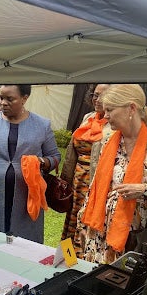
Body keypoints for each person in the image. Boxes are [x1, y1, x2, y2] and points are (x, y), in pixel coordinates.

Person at [76, 84, 147, 264]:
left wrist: (145, 190)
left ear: (131, 108)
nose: (105, 116)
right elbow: (95, 187)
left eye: (110, 110)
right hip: (97, 237)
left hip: (132, 242)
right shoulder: (108, 142)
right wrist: (83, 224)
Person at [0, 85, 61, 244]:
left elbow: (55, 156)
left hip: (27, 196)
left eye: (10, 99)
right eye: (1, 98)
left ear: (24, 98)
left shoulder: (42, 125)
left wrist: (42, 162)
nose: (3, 102)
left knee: (25, 244)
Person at [60, 84, 112, 255]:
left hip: (95, 186)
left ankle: (81, 264)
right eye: (94, 95)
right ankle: (67, 261)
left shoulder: (114, 126)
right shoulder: (88, 118)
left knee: (86, 227)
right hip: (77, 183)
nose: (97, 99)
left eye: (102, 96)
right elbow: (72, 151)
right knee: (71, 224)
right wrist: (65, 180)